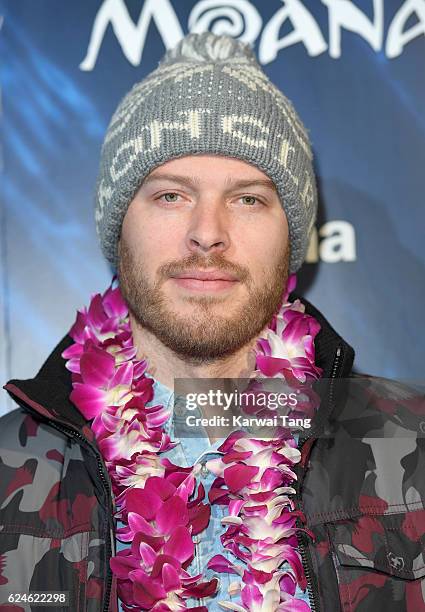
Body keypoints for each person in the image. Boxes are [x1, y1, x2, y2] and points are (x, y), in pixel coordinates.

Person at [1, 32, 424, 612]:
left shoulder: (417, 447)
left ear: (292, 237)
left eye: (248, 198)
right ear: (119, 226)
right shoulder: (7, 476)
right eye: (171, 195)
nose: (208, 232)